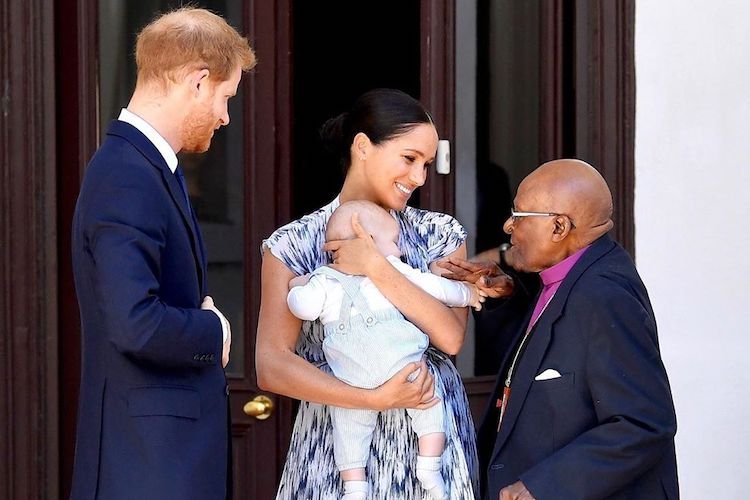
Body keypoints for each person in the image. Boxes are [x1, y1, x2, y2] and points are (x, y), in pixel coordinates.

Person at [256, 88, 481, 499]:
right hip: (337, 451)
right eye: (409, 158)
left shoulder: (438, 234)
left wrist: (376, 266)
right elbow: (271, 365)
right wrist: (371, 398)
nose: (419, 178)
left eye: (427, 164)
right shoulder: (294, 244)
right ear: (362, 146)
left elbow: (450, 339)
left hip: (426, 448)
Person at [70, 8, 255, 500]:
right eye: (225, 96)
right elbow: (136, 323)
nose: (225, 116)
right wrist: (215, 329)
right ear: (197, 82)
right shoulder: (128, 174)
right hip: (148, 469)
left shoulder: (147, 168)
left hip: (159, 462)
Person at [443, 159, 679, 499]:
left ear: (559, 227)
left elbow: (644, 423)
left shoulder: (605, 295)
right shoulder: (568, 276)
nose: (509, 226)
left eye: (520, 216)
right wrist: (507, 295)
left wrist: (544, 486)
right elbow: (553, 350)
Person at [286, 200, 485, 500]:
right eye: (394, 242)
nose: (401, 250)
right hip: (397, 370)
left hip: (352, 379)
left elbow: (303, 306)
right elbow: (438, 289)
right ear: (367, 240)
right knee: (428, 409)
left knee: (349, 433)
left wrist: (297, 286)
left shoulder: (325, 279)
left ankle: (355, 488)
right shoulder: (388, 268)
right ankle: (428, 466)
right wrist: (468, 294)